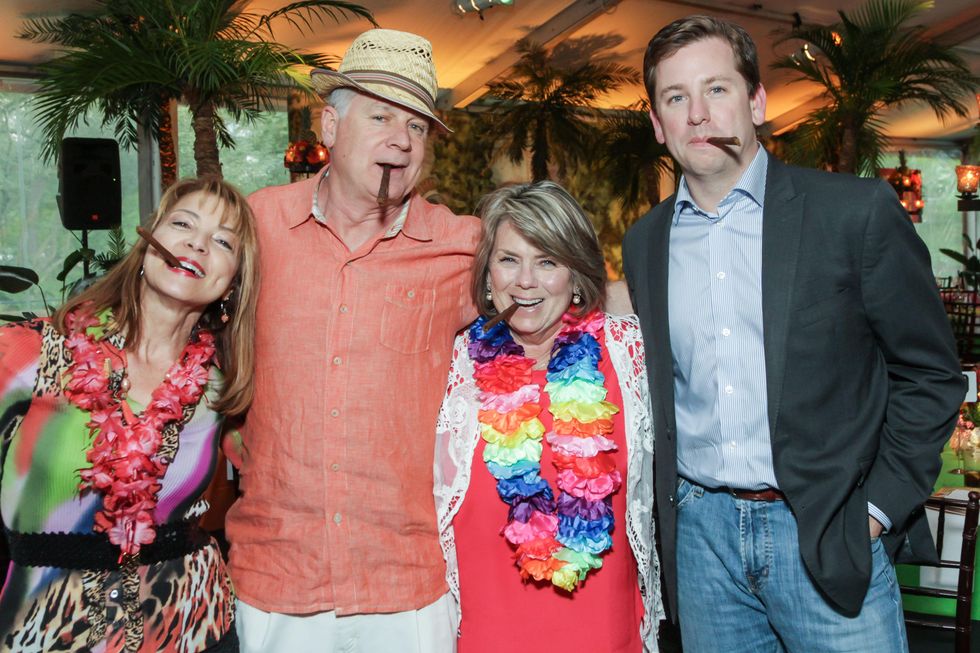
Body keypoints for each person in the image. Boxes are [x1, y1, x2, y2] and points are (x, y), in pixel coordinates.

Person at [622, 15, 966, 653]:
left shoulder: (852, 213)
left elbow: (931, 374)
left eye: (717, 89)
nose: (697, 113)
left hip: (823, 530)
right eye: (676, 98)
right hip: (702, 542)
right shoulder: (646, 242)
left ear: (756, 100)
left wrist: (874, 511)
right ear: (657, 123)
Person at [223, 29, 482, 653]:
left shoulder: (463, 246)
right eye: (382, 116)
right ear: (331, 127)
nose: (401, 138)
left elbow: (565, 288)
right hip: (277, 578)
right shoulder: (257, 227)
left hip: (407, 582)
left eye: (418, 127)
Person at [0, 176, 259, 652]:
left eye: (223, 241)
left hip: (192, 627)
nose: (196, 244)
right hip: (43, 632)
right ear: (148, 242)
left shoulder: (224, 385)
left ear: (233, 279)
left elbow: (279, 486)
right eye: (182, 223)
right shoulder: (30, 353)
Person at [434, 181, 662, 652]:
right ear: (488, 275)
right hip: (487, 638)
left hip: (607, 637)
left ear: (576, 276)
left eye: (548, 262)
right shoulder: (449, 366)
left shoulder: (628, 353)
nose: (525, 281)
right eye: (509, 259)